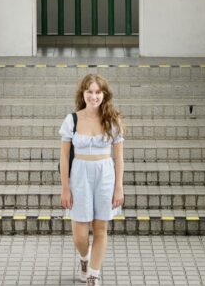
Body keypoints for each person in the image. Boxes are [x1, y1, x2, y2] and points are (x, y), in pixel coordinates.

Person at [60, 74, 125, 285]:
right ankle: (84, 258)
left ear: (104, 95)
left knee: (100, 229)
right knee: (80, 235)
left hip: (105, 175)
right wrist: (65, 188)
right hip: (79, 176)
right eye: (90, 91)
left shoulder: (112, 120)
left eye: (98, 92)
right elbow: (63, 156)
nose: (94, 96)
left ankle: (94, 275)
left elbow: (119, 158)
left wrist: (119, 188)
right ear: (83, 94)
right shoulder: (72, 119)